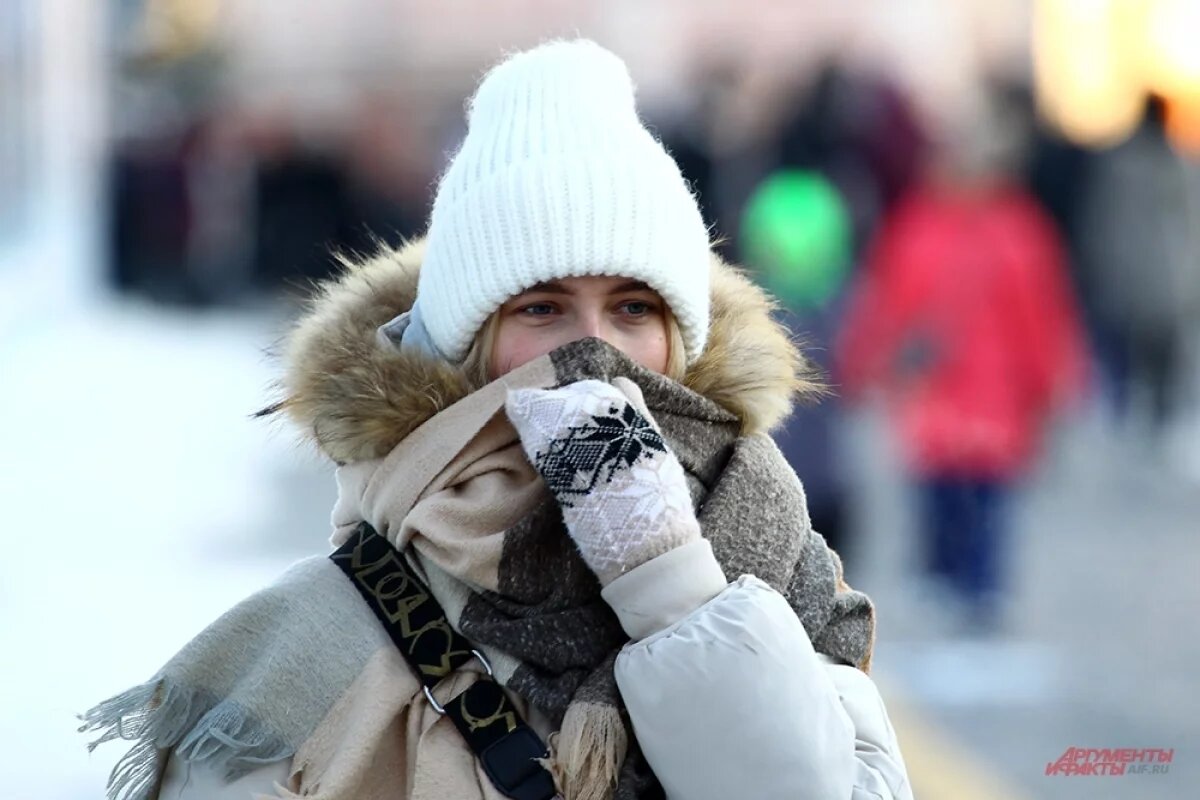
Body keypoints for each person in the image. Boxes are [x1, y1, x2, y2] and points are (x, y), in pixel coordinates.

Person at [81, 40, 912, 800]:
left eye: (632, 308)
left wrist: (673, 587)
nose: (596, 351)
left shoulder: (769, 550)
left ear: (681, 339)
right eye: (544, 309)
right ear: (466, 342)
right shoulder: (326, 628)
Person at [836, 95, 1089, 633]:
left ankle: (980, 592)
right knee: (942, 498)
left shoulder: (1016, 230)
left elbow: (1042, 316)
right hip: (942, 395)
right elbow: (887, 303)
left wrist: (1054, 384)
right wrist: (867, 362)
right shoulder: (926, 225)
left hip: (990, 397)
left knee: (987, 505)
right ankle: (948, 585)